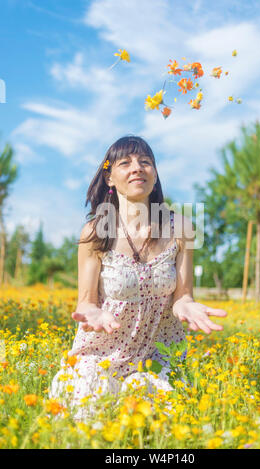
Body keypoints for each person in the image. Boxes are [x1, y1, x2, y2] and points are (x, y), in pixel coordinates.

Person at [49, 135, 227, 421]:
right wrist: (92, 311)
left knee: (161, 419)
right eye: (125, 163)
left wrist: (188, 305)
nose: (137, 168)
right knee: (86, 412)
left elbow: (182, 296)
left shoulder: (180, 227)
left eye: (146, 162)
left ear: (154, 177)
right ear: (109, 177)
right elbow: (85, 303)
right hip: (101, 354)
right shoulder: (95, 233)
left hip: (156, 358)